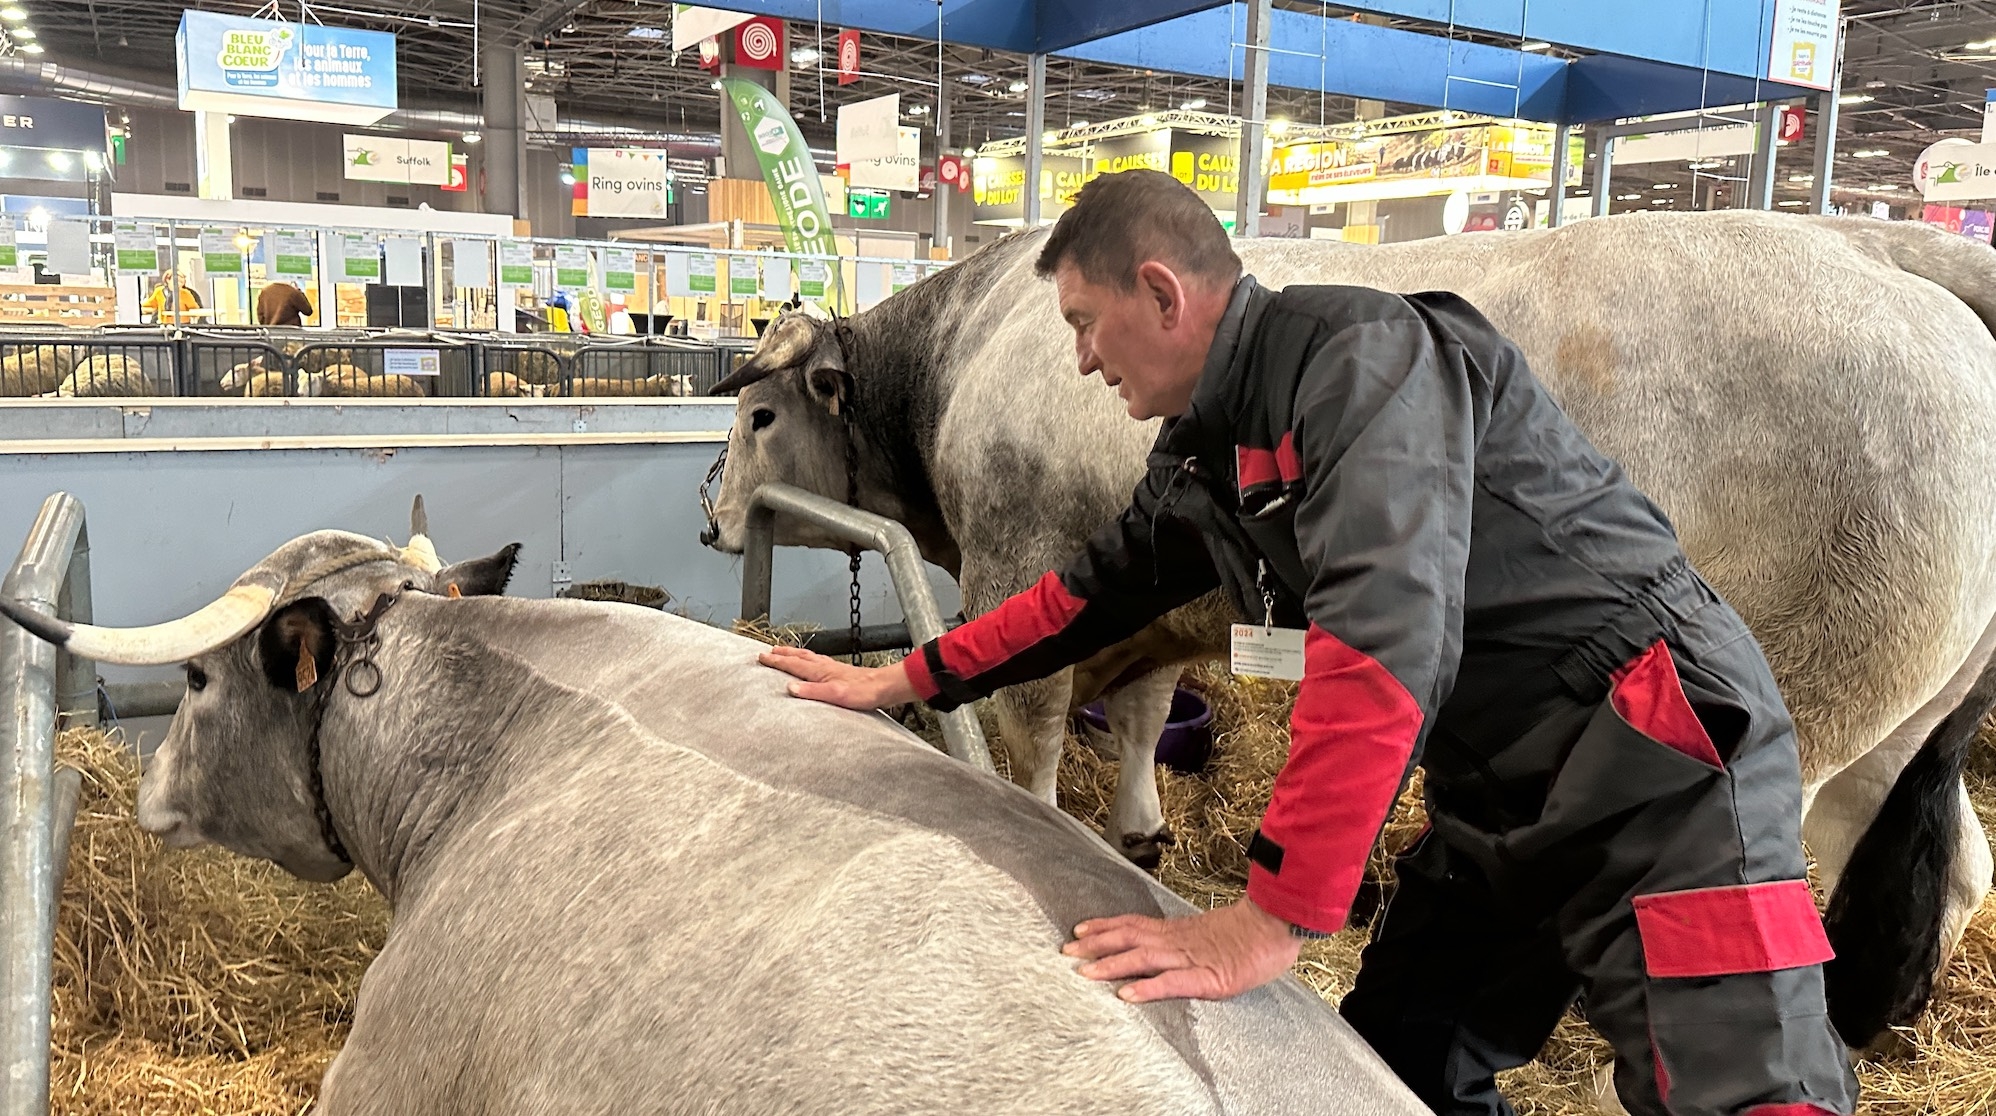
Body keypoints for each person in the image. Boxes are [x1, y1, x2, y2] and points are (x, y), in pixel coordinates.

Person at [755, 170, 1855, 1116]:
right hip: (1499, 783)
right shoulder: (1207, 449)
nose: (1083, 360)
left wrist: (1272, 917)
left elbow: (1388, 628)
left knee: (1746, 1096)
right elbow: (1087, 592)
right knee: (1394, 1063)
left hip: (1655, 755)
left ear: (1162, 292)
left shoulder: (1362, 363)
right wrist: (906, 676)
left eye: (1084, 324)